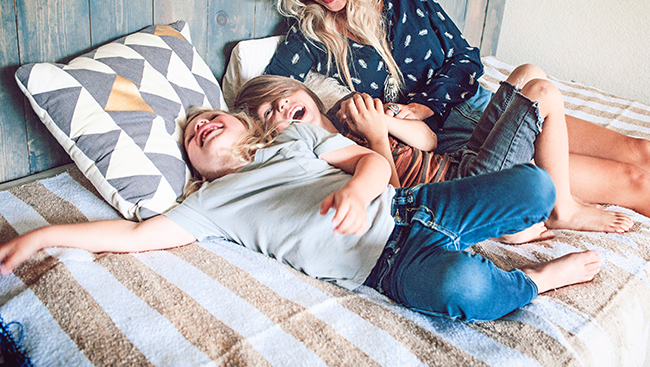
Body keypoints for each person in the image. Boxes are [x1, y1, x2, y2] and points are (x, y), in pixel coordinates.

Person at [0, 108, 601, 322]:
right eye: (191, 136)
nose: (200, 125)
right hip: (385, 266)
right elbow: (133, 234)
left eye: (209, 117)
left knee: (538, 184)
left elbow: (372, 160)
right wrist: (44, 235)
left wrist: (359, 192)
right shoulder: (209, 205)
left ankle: (489, 228)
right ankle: (534, 281)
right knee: (461, 287)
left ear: (244, 122)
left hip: (411, 206)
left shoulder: (296, 138)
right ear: (194, 167)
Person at [263, 0, 650, 203]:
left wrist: (424, 106)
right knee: (633, 180)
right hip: (452, 145)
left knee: (640, 151)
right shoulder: (309, 37)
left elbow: (465, 57)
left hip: (479, 103)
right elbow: (265, 94)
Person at [234, 71, 634, 232]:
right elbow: (393, 200)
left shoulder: (345, 113)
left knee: (528, 74)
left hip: (455, 159)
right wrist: (376, 137)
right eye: (269, 113)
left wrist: (386, 121)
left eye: (284, 94)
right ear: (269, 134)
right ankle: (563, 209)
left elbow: (428, 140)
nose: (282, 105)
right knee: (543, 94)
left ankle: (527, 217)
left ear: (304, 91)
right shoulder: (319, 156)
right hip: (457, 188)